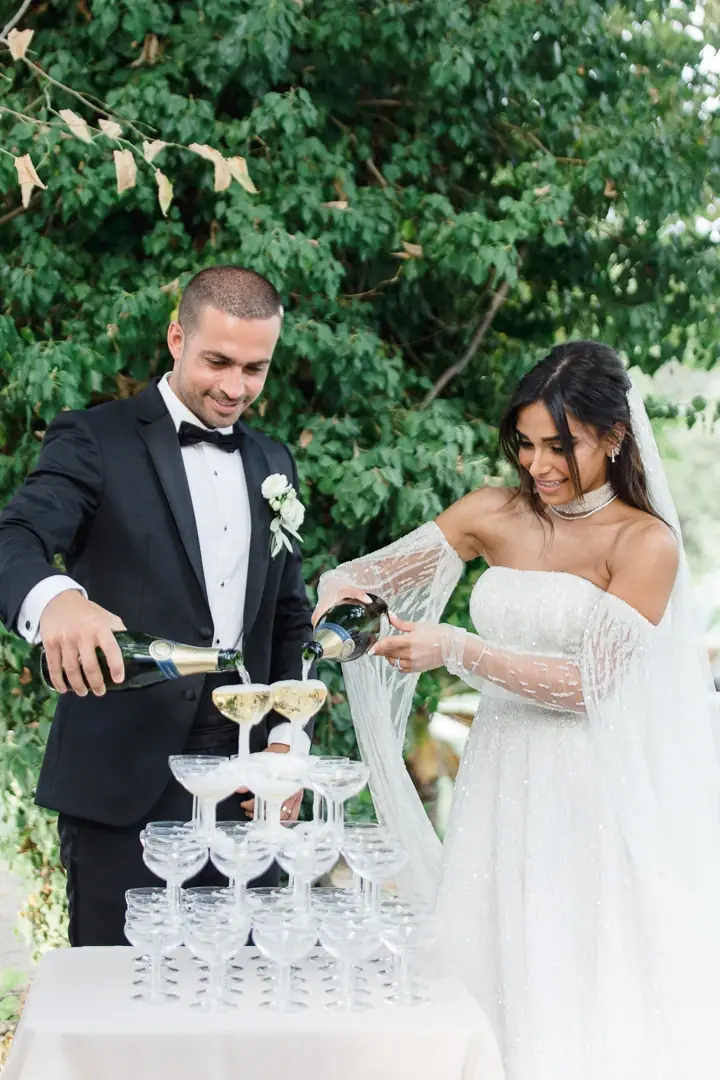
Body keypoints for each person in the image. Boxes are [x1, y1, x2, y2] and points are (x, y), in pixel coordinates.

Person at [313, 341, 720, 1079]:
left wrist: (459, 650)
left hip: (589, 790)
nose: (538, 466)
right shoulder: (490, 512)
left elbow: (587, 686)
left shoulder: (643, 542)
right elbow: (359, 576)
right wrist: (341, 599)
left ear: (615, 437)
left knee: (574, 981)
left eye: (560, 446)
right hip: (498, 780)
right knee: (491, 960)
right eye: (526, 445)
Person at [0, 266, 314, 947]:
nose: (235, 388)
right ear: (177, 336)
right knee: (120, 1008)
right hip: (123, 792)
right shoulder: (95, 438)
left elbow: (288, 615)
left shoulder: (272, 461)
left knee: (243, 1002)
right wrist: (56, 600)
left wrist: (288, 739)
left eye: (255, 369)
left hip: (244, 789)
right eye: (218, 362)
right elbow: (15, 535)